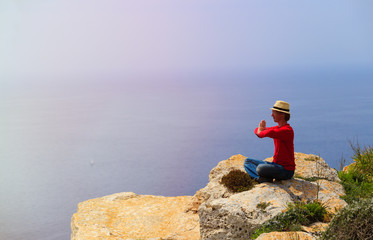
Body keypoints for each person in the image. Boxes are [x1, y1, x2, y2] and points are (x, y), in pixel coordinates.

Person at [244, 100, 295, 183]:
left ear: (282, 115)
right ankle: (262, 178)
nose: (271, 115)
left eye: (274, 113)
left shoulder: (287, 130)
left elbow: (265, 133)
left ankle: (260, 178)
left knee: (260, 168)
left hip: (286, 170)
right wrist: (260, 130)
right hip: (275, 165)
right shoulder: (278, 128)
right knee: (248, 161)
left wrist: (261, 130)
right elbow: (257, 130)